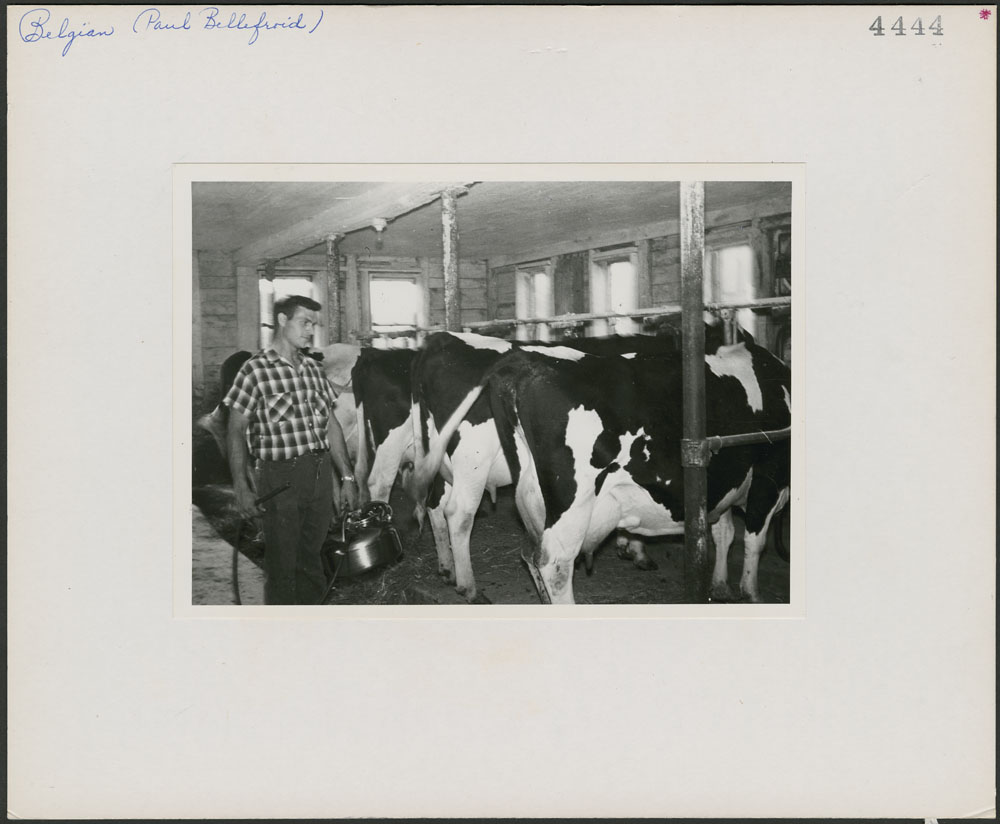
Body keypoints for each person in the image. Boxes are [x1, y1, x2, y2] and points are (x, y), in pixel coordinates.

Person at [224, 295, 359, 605]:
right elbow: (235, 431)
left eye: (314, 325)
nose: (311, 331)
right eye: (305, 323)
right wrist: (241, 487)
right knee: (283, 566)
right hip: (279, 477)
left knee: (313, 560)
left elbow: (331, 425)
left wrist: (347, 478)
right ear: (282, 321)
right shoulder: (254, 370)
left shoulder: (313, 368)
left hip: (319, 472)